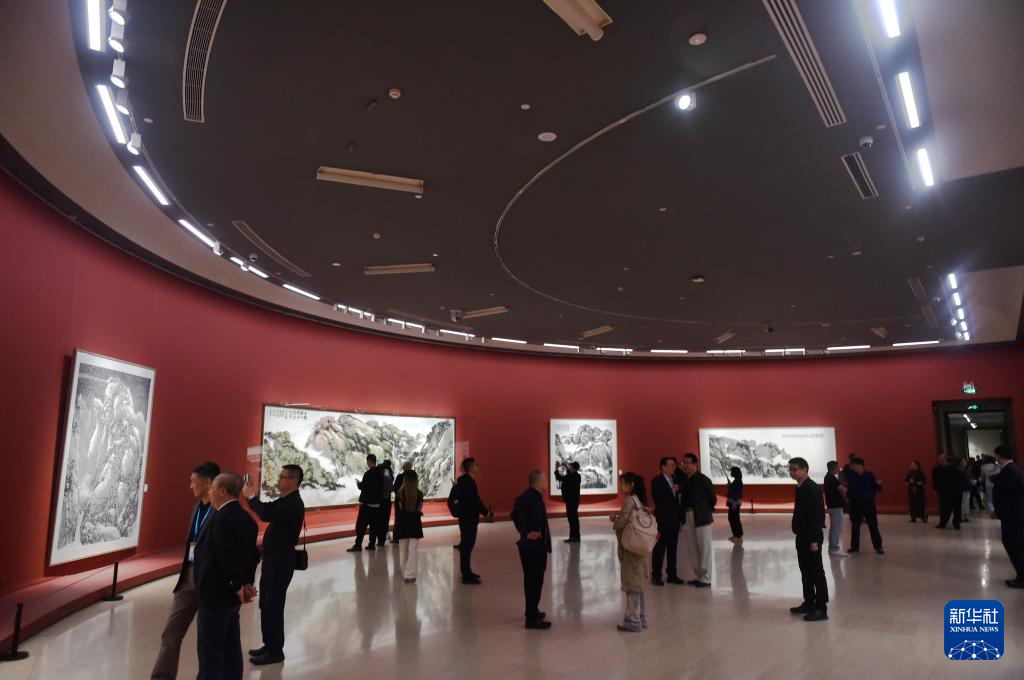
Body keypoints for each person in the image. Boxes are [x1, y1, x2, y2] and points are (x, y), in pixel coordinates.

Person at [151, 461, 221, 680]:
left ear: (208, 483)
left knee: (211, 639)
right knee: (171, 633)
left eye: (193, 481)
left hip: (210, 582)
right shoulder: (196, 508)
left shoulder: (222, 512)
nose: (190, 486)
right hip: (188, 578)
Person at [195, 473, 259, 680]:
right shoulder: (247, 519)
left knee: (210, 654)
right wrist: (246, 583)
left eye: (212, 488)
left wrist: (237, 585)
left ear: (222, 491)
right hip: (232, 597)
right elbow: (252, 556)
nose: (209, 491)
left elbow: (226, 558)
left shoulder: (221, 518)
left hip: (215, 595)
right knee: (231, 651)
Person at [242, 464, 305, 666]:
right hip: (274, 560)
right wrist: (251, 497)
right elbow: (267, 509)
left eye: (283, 477)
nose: (279, 480)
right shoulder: (286, 500)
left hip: (280, 561)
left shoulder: (294, 503)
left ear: (293, 481)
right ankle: (269, 644)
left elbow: (266, 515)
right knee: (267, 603)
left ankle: (275, 650)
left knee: (273, 604)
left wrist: (252, 496)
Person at [788, 457, 828, 622]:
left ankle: (821, 608)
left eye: (794, 469)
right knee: (806, 571)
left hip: (811, 538)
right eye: (790, 469)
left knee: (816, 572)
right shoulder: (801, 487)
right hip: (803, 536)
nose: (791, 472)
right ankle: (809, 602)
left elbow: (816, 516)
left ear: (805, 470)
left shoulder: (811, 489)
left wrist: (813, 541)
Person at [511, 470, 552, 629]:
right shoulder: (534, 499)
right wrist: (529, 532)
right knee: (534, 581)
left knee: (532, 580)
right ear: (538, 482)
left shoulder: (526, 496)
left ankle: (533, 610)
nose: (547, 484)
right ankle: (531, 618)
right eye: (545, 481)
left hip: (528, 546)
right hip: (534, 547)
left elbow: (514, 514)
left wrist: (523, 531)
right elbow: (523, 517)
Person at [611, 472, 651, 632]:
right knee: (639, 583)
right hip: (640, 546)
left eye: (623, 483)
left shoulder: (629, 501)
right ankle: (641, 617)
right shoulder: (640, 501)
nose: (621, 487)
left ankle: (632, 620)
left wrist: (615, 520)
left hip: (631, 549)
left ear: (631, 485)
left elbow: (622, 523)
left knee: (632, 584)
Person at [451, 458, 492, 584]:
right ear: (470, 468)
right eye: (476, 465)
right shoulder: (468, 482)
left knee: (466, 545)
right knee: (467, 545)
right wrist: (486, 512)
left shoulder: (464, 481)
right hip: (469, 518)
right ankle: (466, 574)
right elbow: (475, 500)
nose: (478, 467)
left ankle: (466, 572)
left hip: (465, 517)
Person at [679, 452, 716, 587]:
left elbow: (712, 499)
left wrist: (704, 509)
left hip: (702, 516)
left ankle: (706, 578)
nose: (685, 465)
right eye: (683, 463)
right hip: (688, 516)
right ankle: (699, 576)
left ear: (695, 464)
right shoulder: (685, 480)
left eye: (687, 463)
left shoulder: (703, 480)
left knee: (704, 547)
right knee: (692, 548)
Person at [992, 446, 1024, 588]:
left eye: (996, 456)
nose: (995, 458)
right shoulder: (1012, 469)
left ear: (1000, 456)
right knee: (1016, 544)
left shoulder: (1009, 470)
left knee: (1013, 545)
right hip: (1014, 514)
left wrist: (996, 481)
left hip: (1013, 515)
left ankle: (1022, 578)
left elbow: (1006, 490)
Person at [650, 457, 683, 586]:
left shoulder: (675, 479)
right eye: (671, 465)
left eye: (674, 465)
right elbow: (658, 498)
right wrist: (671, 491)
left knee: (672, 549)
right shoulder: (656, 481)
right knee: (659, 548)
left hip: (674, 520)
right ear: (663, 467)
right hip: (662, 520)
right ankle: (656, 575)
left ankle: (672, 575)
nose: (674, 468)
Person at [846, 457, 884, 554]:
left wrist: (879, 485)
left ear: (860, 465)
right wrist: (849, 495)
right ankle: (854, 547)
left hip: (868, 504)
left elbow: (877, 487)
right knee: (855, 526)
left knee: (873, 525)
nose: (852, 467)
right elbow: (849, 489)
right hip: (855, 504)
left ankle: (878, 546)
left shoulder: (869, 475)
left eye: (853, 465)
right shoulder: (851, 475)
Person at [348, 454, 384, 552]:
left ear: (369, 461)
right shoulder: (380, 474)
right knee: (374, 526)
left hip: (367, 504)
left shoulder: (368, 473)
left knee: (361, 526)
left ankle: (358, 545)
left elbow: (364, 487)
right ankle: (372, 544)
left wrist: (359, 484)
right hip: (377, 505)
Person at [395, 470, 424, 582]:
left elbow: (399, 512)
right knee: (413, 550)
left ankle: (404, 571)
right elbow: (419, 508)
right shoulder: (419, 494)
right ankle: (410, 574)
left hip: (402, 524)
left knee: (403, 549)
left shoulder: (399, 494)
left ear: (405, 480)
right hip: (415, 524)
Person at [823, 461, 847, 556]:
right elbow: (842, 489)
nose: (838, 469)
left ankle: (833, 547)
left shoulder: (828, 477)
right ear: (835, 468)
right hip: (836, 506)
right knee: (836, 528)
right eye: (837, 467)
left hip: (832, 505)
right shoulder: (831, 478)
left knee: (834, 528)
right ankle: (834, 548)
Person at [933, 454, 963, 530]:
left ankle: (943, 523)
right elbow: (962, 481)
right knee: (957, 509)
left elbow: (939, 481)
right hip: (957, 493)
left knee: (945, 509)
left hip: (946, 493)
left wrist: (938, 489)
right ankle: (956, 524)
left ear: (946, 461)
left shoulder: (942, 469)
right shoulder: (958, 469)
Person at [554, 461, 582, 543]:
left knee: (573, 519)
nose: (570, 468)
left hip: (572, 501)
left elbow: (562, 478)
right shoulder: (571, 475)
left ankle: (574, 537)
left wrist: (564, 467)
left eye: (572, 467)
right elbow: (560, 477)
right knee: (572, 519)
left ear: (575, 469)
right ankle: (574, 537)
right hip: (570, 501)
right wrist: (557, 468)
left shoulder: (576, 477)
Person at [391, 461, 413, 544]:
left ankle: (397, 538)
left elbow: (395, 488)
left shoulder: (400, 476)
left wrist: (401, 496)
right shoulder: (413, 477)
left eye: (404, 466)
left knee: (398, 519)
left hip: (400, 501)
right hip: (409, 501)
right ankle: (407, 536)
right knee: (408, 519)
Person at [377, 460, 395, 545]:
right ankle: (384, 537)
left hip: (380, 500)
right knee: (385, 519)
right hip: (387, 500)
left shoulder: (380, 476)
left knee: (379, 520)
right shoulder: (389, 475)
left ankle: (381, 539)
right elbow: (391, 489)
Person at [726, 467, 744, 544]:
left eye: (732, 471)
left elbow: (737, 493)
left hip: (734, 503)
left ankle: (738, 536)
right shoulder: (736, 481)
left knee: (734, 519)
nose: (731, 473)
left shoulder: (738, 481)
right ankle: (736, 535)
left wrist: (735, 503)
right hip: (734, 502)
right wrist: (730, 485)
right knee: (732, 518)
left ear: (735, 473)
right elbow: (733, 491)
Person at [958, 457, 973, 522]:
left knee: (965, 503)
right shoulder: (961, 470)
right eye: (964, 461)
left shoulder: (962, 470)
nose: (965, 463)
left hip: (965, 488)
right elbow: (965, 480)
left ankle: (964, 516)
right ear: (960, 463)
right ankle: (963, 517)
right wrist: (971, 482)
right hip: (964, 489)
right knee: (964, 503)